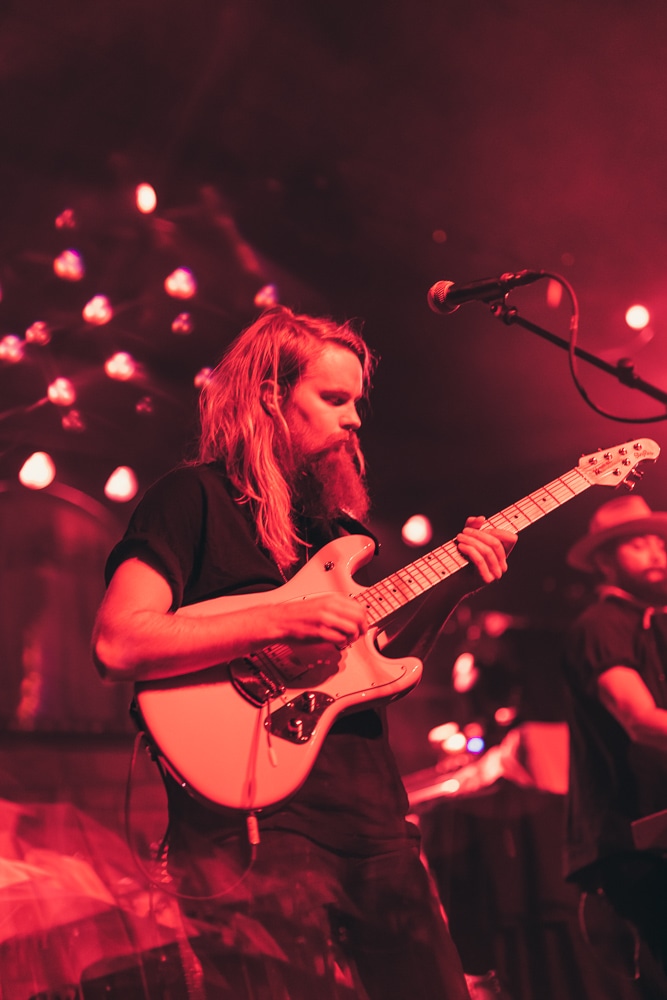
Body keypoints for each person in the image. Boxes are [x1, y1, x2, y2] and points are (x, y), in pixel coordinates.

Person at [93, 305, 516, 999]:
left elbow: (377, 668)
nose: (353, 420)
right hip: (251, 828)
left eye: (356, 402)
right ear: (269, 396)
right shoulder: (190, 498)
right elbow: (119, 639)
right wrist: (278, 621)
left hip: (373, 819)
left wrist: (454, 590)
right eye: (333, 399)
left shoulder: (335, 529)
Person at [563, 494, 667, 993]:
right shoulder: (600, 624)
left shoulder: (650, 626)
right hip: (628, 840)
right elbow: (640, 720)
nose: (656, 553)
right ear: (604, 560)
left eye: (658, 542)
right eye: (637, 544)